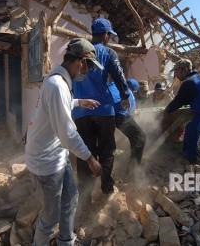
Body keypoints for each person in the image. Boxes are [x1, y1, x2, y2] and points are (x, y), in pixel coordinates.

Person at [25, 38, 103, 246]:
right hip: (46, 161)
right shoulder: (57, 85)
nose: (86, 71)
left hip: (57, 155)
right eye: (87, 66)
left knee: (70, 198)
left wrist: (78, 102)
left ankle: (66, 240)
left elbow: (57, 105)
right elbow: (68, 134)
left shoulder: (58, 80)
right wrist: (90, 159)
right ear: (80, 62)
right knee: (50, 217)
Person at [72, 18, 130, 202]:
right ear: (105, 35)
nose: (108, 39)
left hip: (81, 112)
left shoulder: (79, 51)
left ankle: (85, 193)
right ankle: (106, 188)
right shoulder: (108, 52)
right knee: (106, 151)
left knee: (84, 153)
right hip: (104, 110)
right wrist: (125, 94)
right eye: (109, 36)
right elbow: (119, 76)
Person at [109, 79, 146, 177]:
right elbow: (129, 113)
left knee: (105, 144)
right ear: (134, 90)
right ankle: (133, 172)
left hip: (104, 114)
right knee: (140, 136)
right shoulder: (128, 93)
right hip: (118, 115)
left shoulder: (114, 86)